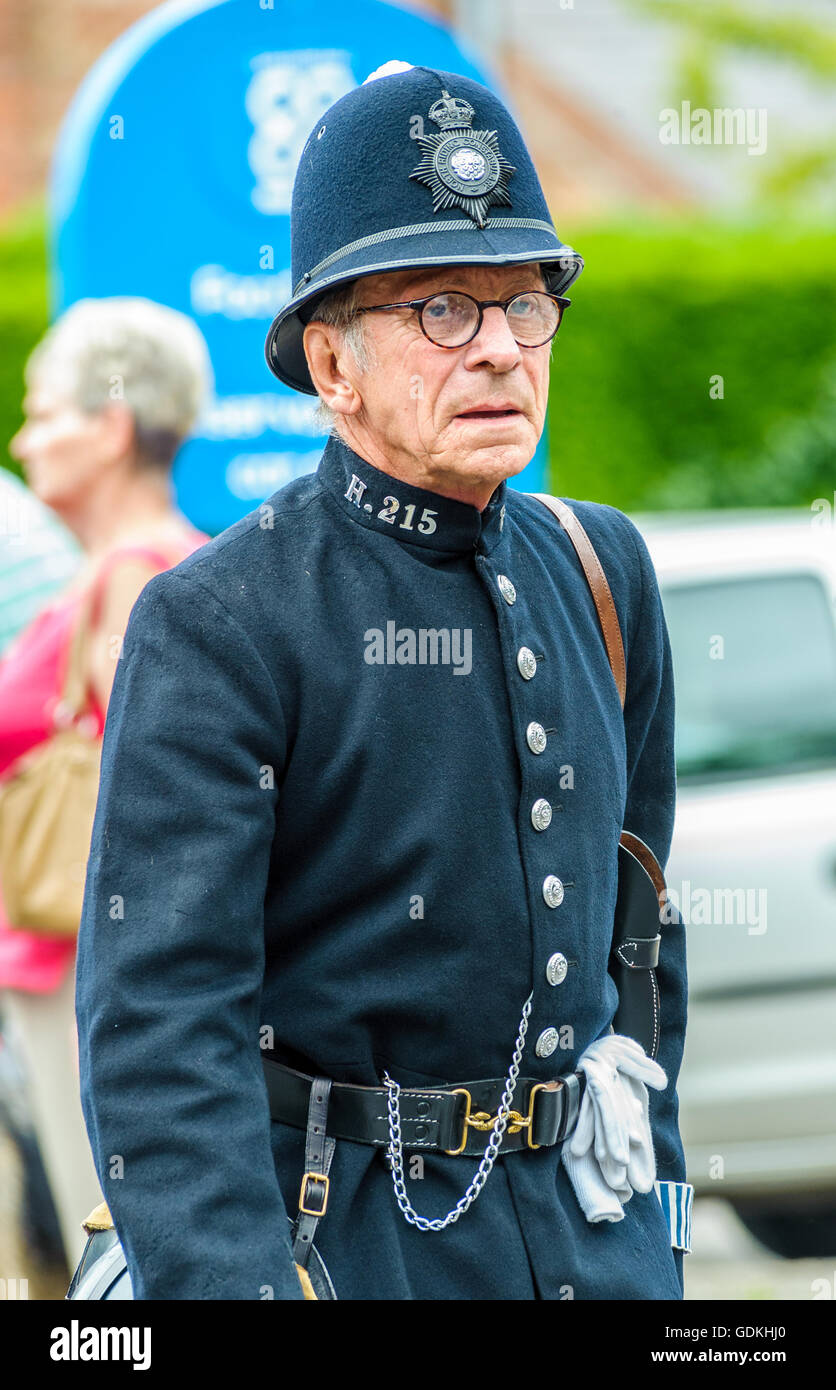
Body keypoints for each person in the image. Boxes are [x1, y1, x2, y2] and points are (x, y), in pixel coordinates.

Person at [75, 63, 692, 1300]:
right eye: (443, 312)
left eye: (525, 305)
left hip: (593, 1248)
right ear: (331, 361)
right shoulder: (217, 620)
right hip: (345, 1252)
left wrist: (659, 1230)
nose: (502, 352)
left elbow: (641, 957)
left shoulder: (601, 569)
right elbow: (161, 1028)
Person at [0, 297, 212, 1268]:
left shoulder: (133, 576)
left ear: (113, 425)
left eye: (44, 413)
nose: (23, 438)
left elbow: (157, 804)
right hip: (94, 960)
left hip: (88, 964)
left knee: (112, 1246)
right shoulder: (171, 559)